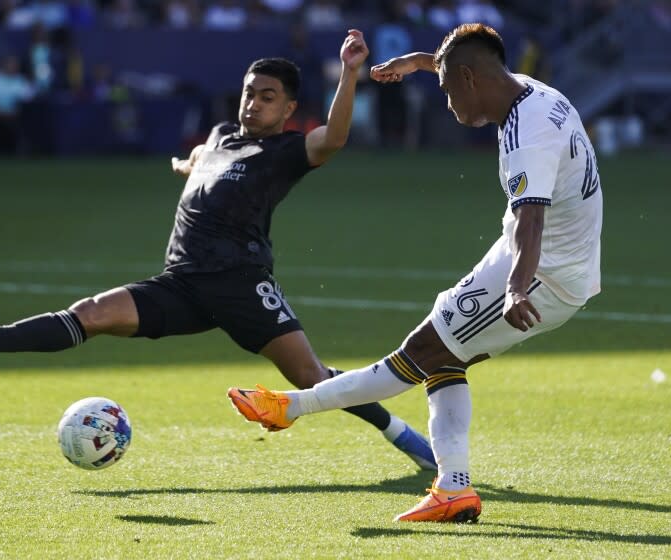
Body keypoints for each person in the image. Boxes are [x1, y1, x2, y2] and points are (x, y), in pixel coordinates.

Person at [0, 30, 436, 472]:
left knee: (310, 377)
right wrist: (188, 164)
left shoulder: (285, 152)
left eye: (268, 98)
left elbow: (335, 137)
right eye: (249, 93)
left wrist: (349, 74)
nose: (253, 104)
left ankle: (405, 437)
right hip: (181, 283)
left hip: (241, 284)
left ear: (287, 110)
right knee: (90, 313)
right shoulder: (220, 136)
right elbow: (203, 159)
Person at [228, 23, 603, 523]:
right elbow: (465, 65)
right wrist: (422, 63)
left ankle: (291, 407)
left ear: (470, 78)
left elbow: (530, 216)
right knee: (445, 356)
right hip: (562, 263)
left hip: (539, 275)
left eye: (448, 89)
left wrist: (515, 287)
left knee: (417, 354)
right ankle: (454, 488)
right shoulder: (534, 92)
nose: (447, 101)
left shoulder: (526, 134)